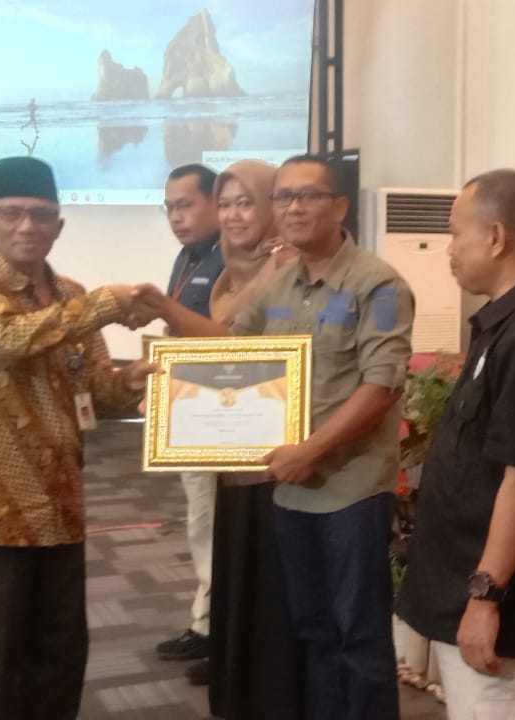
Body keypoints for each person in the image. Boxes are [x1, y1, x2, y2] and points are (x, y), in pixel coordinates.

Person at [152, 155, 415, 720]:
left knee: (357, 636)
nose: (293, 207)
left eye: (308, 196)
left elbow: (381, 386)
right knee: (314, 630)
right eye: (284, 197)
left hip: (349, 491)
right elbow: (228, 342)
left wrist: (311, 451)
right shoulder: (281, 283)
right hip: (292, 489)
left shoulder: (378, 284)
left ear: (339, 207)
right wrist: (163, 322)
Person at [0, 156, 160, 720]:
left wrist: (132, 380)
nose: (26, 226)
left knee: (56, 659)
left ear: (59, 225)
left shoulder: (72, 293)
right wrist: (105, 304)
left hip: (59, 508)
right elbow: (10, 339)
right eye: (11, 213)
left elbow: (96, 390)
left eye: (40, 215)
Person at [396, 170, 515, 720]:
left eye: (456, 233)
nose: (449, 249)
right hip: (467, 585)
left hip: (503, 604)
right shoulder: (506, 325)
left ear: (497, 237)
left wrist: (486, 598)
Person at [200, 160, 303, 719]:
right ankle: (240, 691)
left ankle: (272, 697)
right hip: (232, 443)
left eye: (246, 203)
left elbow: (231, 339)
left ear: (269, 207)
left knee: (272, 572)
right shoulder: (227, 273)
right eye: (225, 203)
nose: (233, 215)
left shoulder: (288, 266)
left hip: (277, 449)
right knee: (239, 560)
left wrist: (164, 312)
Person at [155, 163, 227, 671]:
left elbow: (228, 335)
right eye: (169, 208)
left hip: (225, 409)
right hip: (190, 403)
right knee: (201, 520)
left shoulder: (234, 259)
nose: (176, 217)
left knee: (213, 521)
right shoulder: (189, 256)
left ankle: (219, 632)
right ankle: (207, 623)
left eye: (186, 205)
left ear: (214, 203)